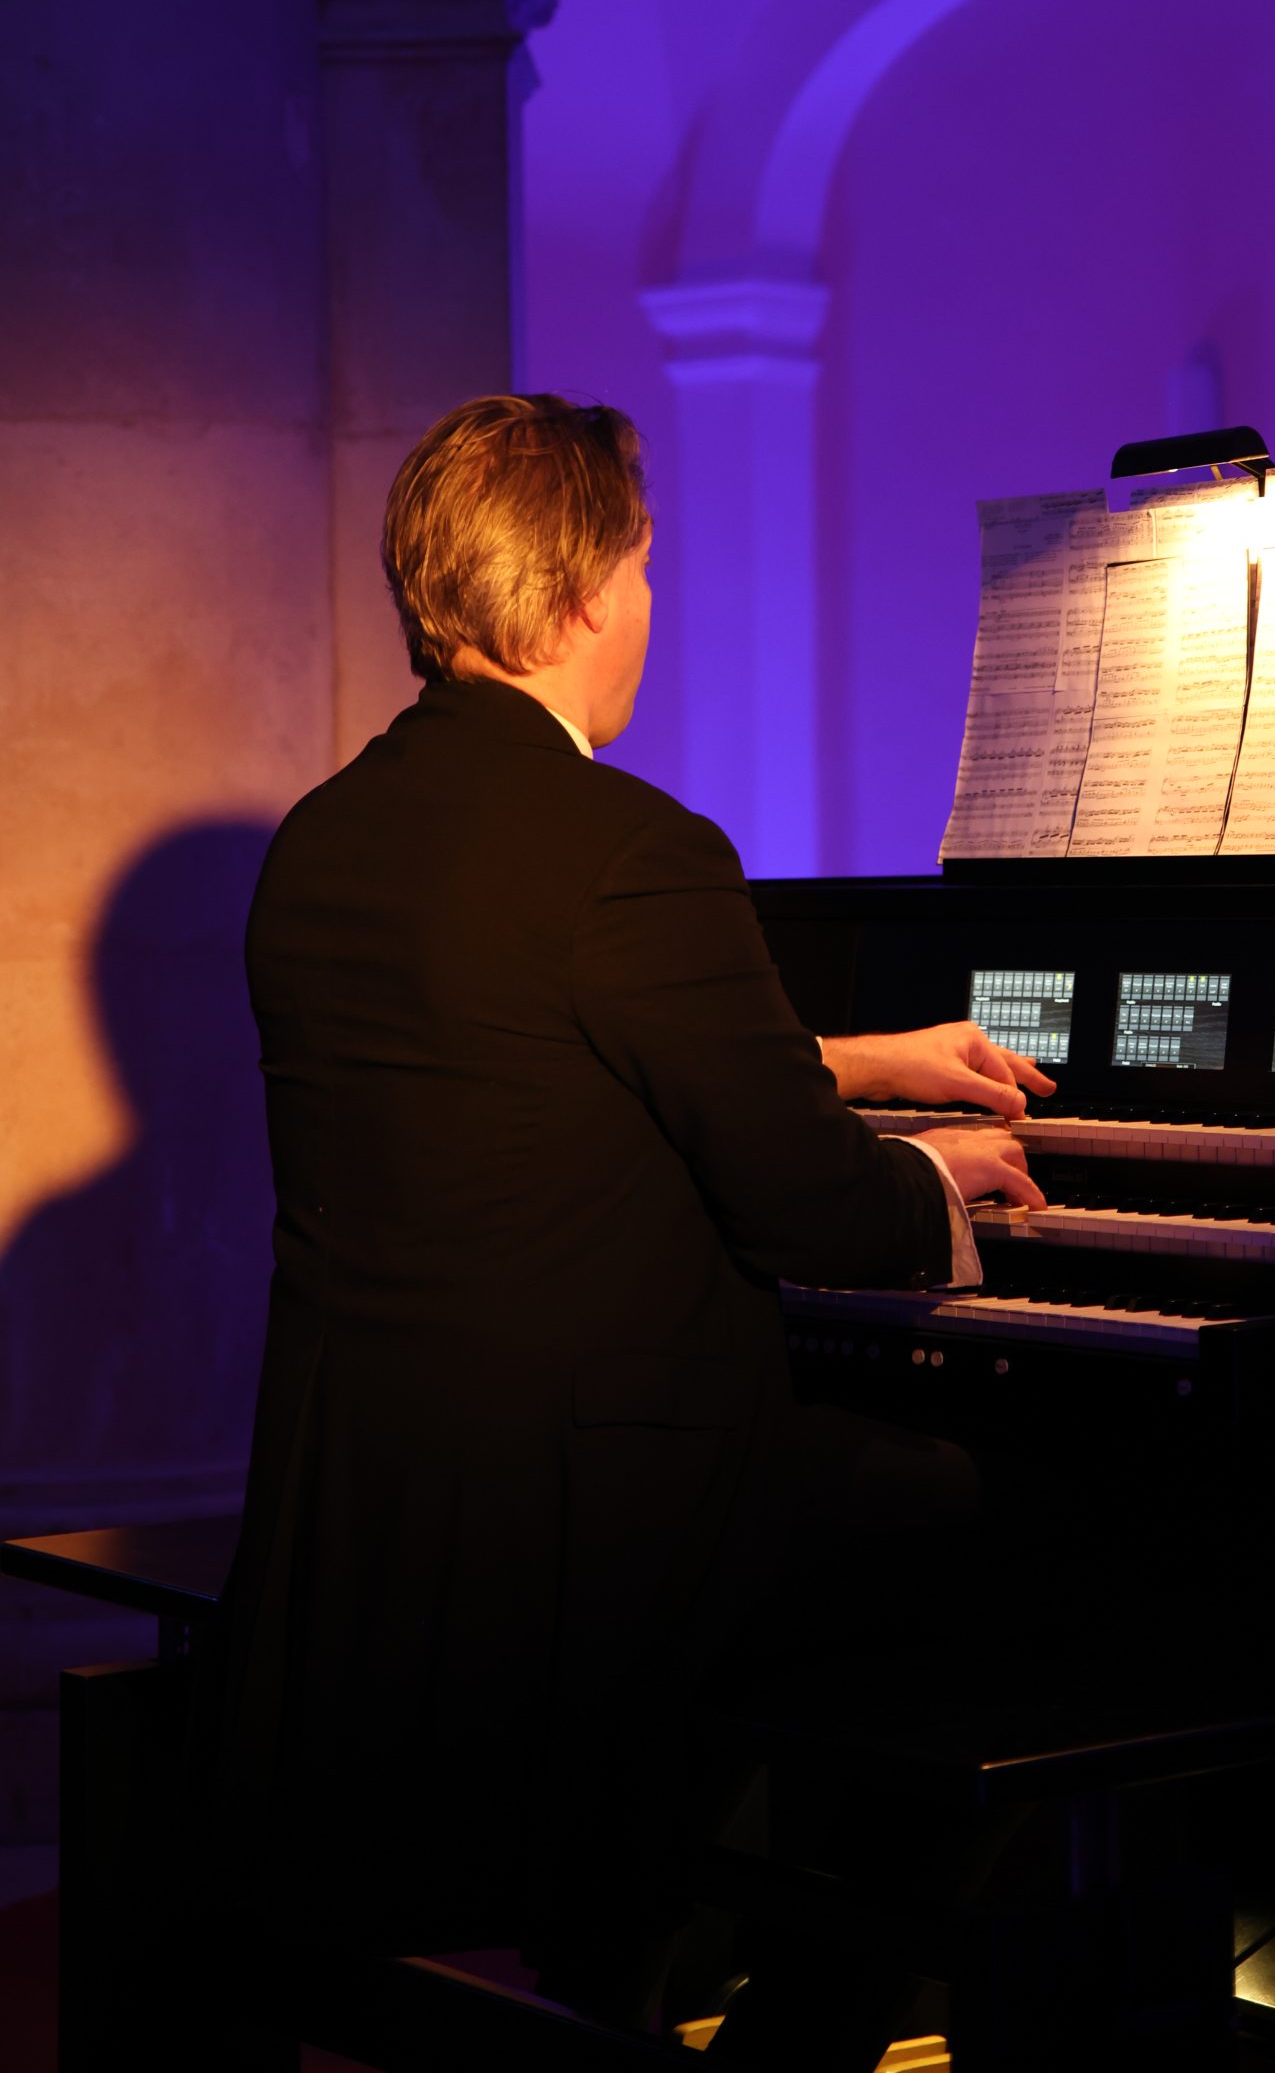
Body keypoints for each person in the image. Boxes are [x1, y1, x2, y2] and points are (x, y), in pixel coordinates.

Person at [217, 392, 1049, 2058]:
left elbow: (520, 1046)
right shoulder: (633, 851)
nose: (650, 608)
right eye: (644, 570)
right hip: (601, 1526)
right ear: (580, 589)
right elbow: (812, 1204)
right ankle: (812, 2021)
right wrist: (937, 1178)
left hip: (371, 1508)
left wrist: (851, 1059)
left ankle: (665, 1952)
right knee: (1005, 1525)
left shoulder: (325, 841)